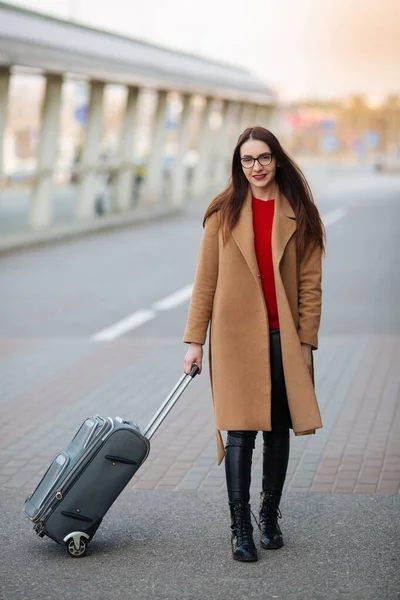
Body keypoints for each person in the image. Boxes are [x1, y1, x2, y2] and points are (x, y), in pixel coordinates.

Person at [183, 126, 325, 562]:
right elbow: (205, 282)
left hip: (283, 336)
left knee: (278, 428)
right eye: (248, 160)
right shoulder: (222, 212)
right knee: (241, 429)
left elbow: (310, 284)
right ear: (238, 165)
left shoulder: (299, 212)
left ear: (277, 159)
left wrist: (306, 341)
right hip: (234, 337)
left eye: (263, 158)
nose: (256, 167)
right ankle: (239, 526)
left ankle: (269, 514)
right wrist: (194, 342)